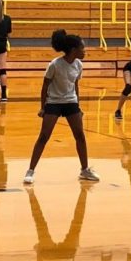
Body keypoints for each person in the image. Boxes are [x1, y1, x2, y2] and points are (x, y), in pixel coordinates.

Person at [24, 29, 100, 185]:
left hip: (71, 102)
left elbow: (75, 84)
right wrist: (43, 107)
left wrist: (77, 105)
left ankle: (84, 169)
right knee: (43, 136)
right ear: (74, 50)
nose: (84, 51)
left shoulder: (79, 65)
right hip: (54, 102)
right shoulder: (55, 65)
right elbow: (45, 85)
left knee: (80, 135)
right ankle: (30, 171)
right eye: (82, 48)